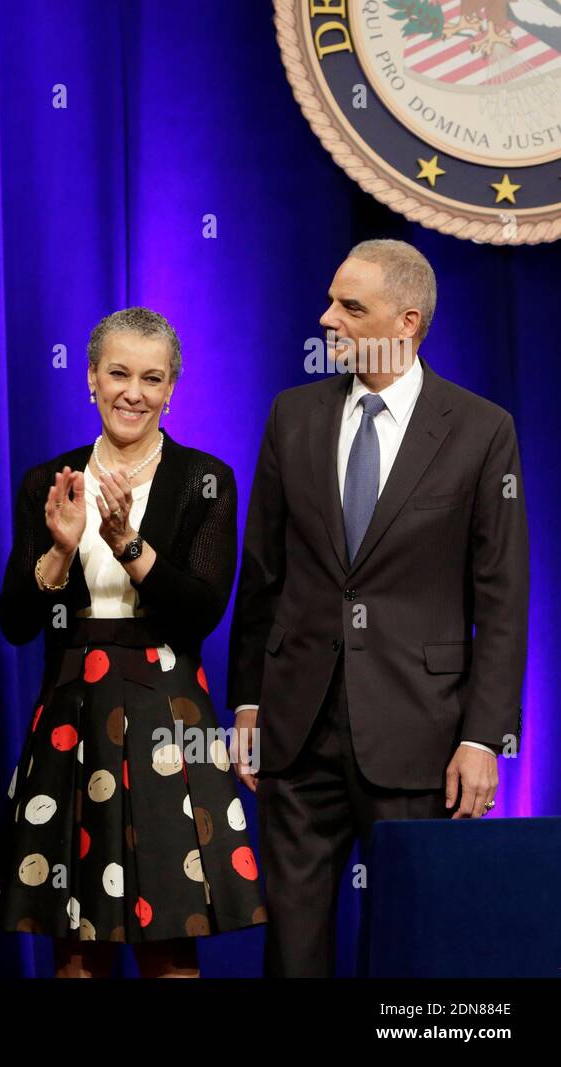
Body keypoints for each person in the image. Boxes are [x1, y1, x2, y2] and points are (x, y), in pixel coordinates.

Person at [228, 239, 528, 977]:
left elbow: (503, 596)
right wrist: (245, 705)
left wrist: (485, 738)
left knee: (412, 949)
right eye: (332, 299)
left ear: (407, 321)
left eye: (349, 306)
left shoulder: (482, 430)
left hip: (421, 736)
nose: (326, 316)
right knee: (294, 955)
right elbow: (261, 574)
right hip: (295, 735)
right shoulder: (292, 414)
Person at [0, 307, 266, 978]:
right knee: (77, 942)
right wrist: (61, 548)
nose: (134, 392)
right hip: (71, 717)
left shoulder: (205, 479)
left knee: (170, 933)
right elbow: (16, 621)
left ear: (172, 389)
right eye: (119, 373)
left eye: (152, 378)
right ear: (91, 379)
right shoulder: (50, 481)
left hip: (168, 717)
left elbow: (200, 612)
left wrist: (127, 546)